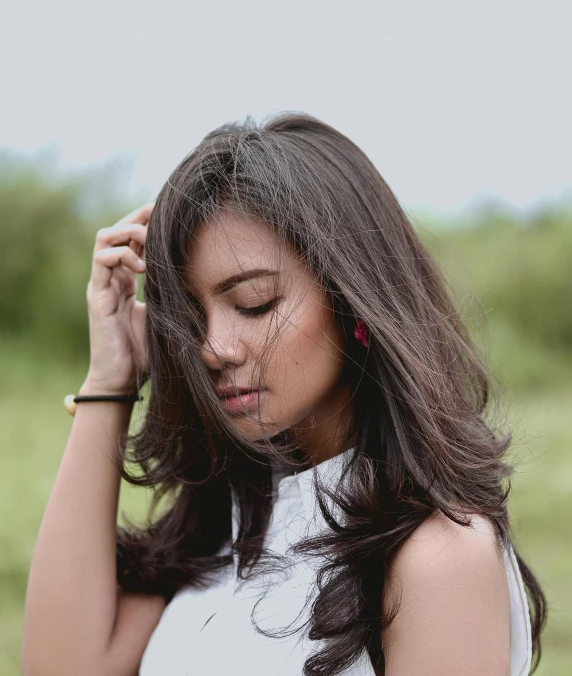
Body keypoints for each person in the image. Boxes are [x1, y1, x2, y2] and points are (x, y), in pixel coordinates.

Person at [22, 113, 547, 676]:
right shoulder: (224, 526)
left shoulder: (437, 555)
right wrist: (110, 382)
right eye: (188, 317)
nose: (213, 348)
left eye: (254, 302)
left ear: (353, 301)